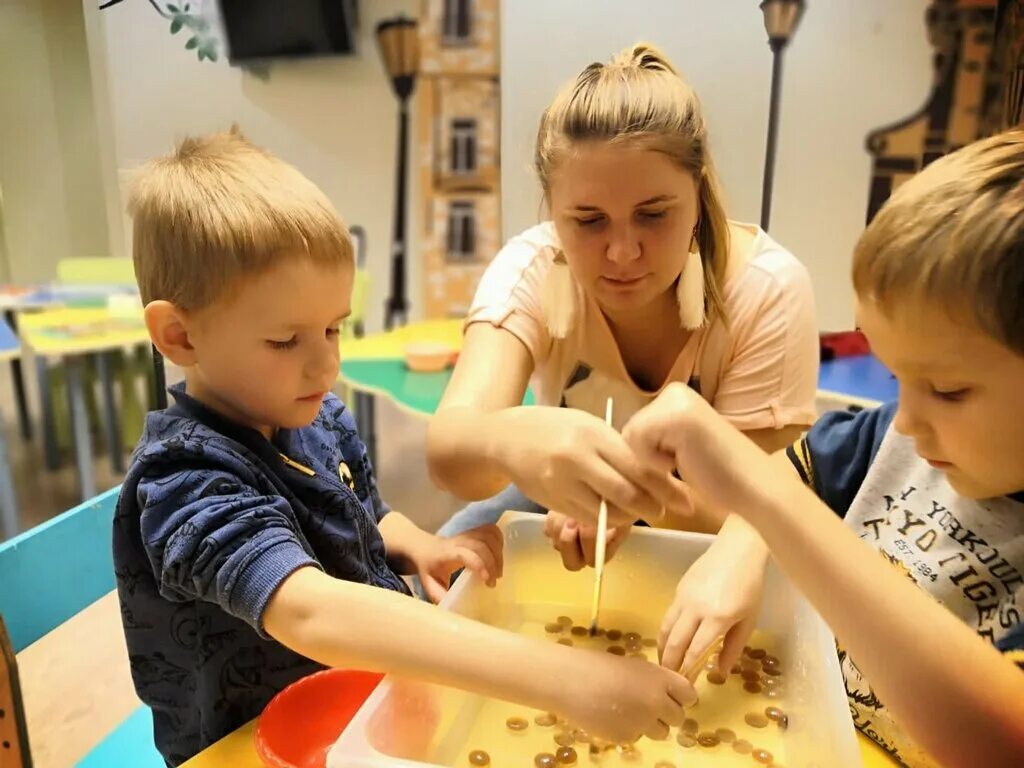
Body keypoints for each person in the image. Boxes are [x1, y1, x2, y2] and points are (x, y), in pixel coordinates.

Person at [113, 129, 695, 766]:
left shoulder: (309, 415)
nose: (325, 364)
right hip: (261, 744)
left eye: (333, 328)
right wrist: (562, 677)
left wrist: (417, 541)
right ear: (179, 335)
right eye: (286, 341)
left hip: (375, 708)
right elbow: (308, 610)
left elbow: (356, 512)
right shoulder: (184, 479)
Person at [623, 130, 1024, 767]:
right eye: (898, 379)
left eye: (948, 390)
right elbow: (800, 467)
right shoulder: (901, 437)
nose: (908, 424)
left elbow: (1001, 740)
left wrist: (759, 495)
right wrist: (738, 550)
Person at [427, 41, 818, 560]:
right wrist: (507, 438)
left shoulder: (768, 290)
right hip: (563, 509)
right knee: (456, 554)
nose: (622, 251)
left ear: (697, 197)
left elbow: (761, 515)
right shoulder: (532, 264)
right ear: (552, 210)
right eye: (588, 222)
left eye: (654, 214)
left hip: (718, 541)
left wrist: (628, 499)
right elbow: (449, 454)